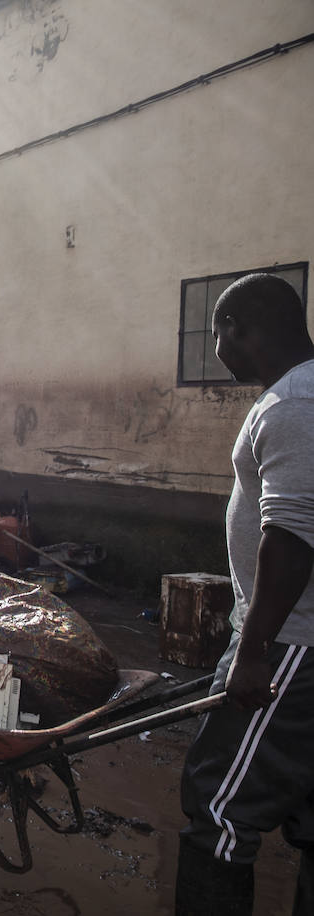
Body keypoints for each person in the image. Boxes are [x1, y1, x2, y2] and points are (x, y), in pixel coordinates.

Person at [175, 273, 314, 915]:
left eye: (215, 336)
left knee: (218, 807)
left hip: (287, 643)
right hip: (298, 641)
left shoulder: (294, 406)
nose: (216, 351)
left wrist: (253, 650)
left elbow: (289, 539)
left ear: (236, 329)